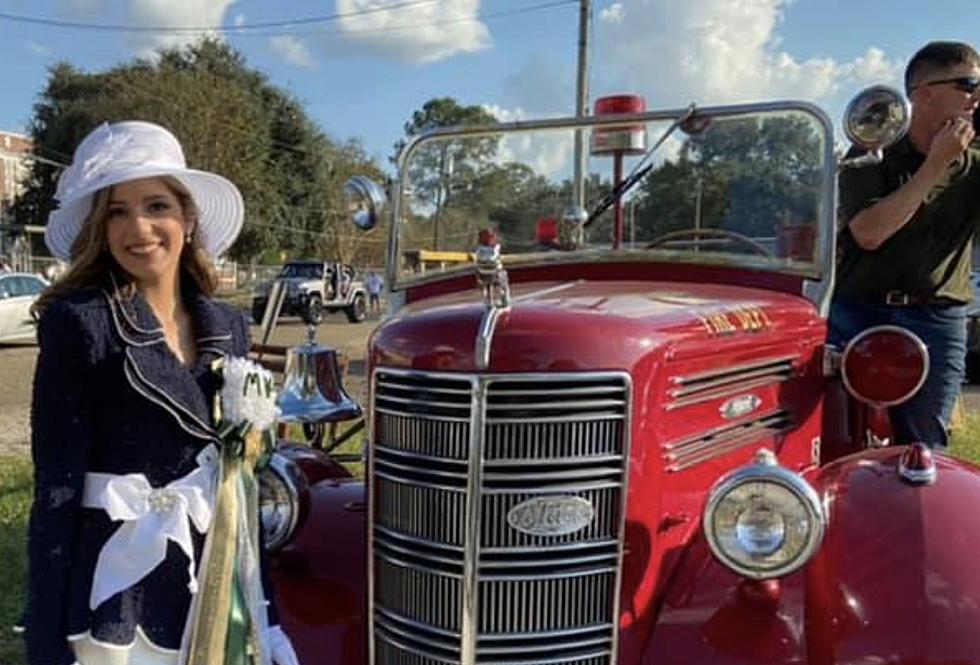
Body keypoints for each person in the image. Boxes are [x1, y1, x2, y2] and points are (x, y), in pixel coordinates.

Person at [24, 121, 298, 665]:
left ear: (187, 218)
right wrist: (44, 638)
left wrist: (260, 602)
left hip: (216, 587)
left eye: (155, 206)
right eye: (117, 212)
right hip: (119, 590)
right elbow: (55, 490)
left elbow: (241, 484)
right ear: (101, 228)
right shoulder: (79, 323)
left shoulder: (229, 324)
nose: (139, 227)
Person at [830, 41, 980, 448]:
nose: (976, 97)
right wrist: (935, 165)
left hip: (937, 318)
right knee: (834, 434)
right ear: (925, 92)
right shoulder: (871, 145)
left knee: (923, 449)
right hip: (859, 311)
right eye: (969, 85)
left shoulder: (976, 159)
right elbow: (869, 233)